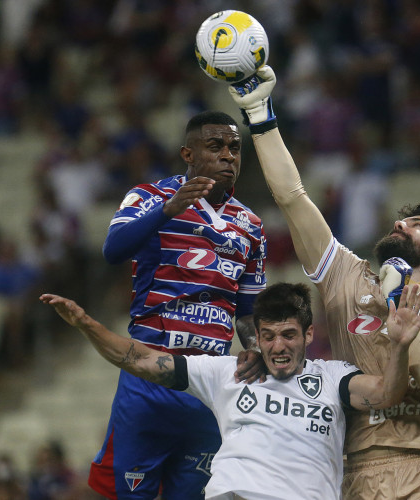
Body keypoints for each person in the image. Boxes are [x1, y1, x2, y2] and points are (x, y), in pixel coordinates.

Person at [229, 66, 420, 499]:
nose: (400, 221)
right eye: (401, 218)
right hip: (363, 469)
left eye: (417, 224)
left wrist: (397, 301)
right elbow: (292, 196)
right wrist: (260, 117)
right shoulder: (344, 275)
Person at [40, 281, 420, 500]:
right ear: (256, 337)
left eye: (290, 335)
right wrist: (86, 324)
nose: (279, 347)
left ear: (309, 334)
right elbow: (142, 361)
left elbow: (385, 394)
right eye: (269, 336)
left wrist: (401, 344)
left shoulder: (334, 377)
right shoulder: (226, 371)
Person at [93, 110, 268, 499]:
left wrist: (256, 348)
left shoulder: (251, 225)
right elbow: (113, 251)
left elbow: (247, 312)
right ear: (187, 154)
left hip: (207, 385)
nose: (228, 155)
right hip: (148, 376)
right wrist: (166, 211)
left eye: (234, 148)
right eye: (215, 146)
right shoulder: (149, 196)